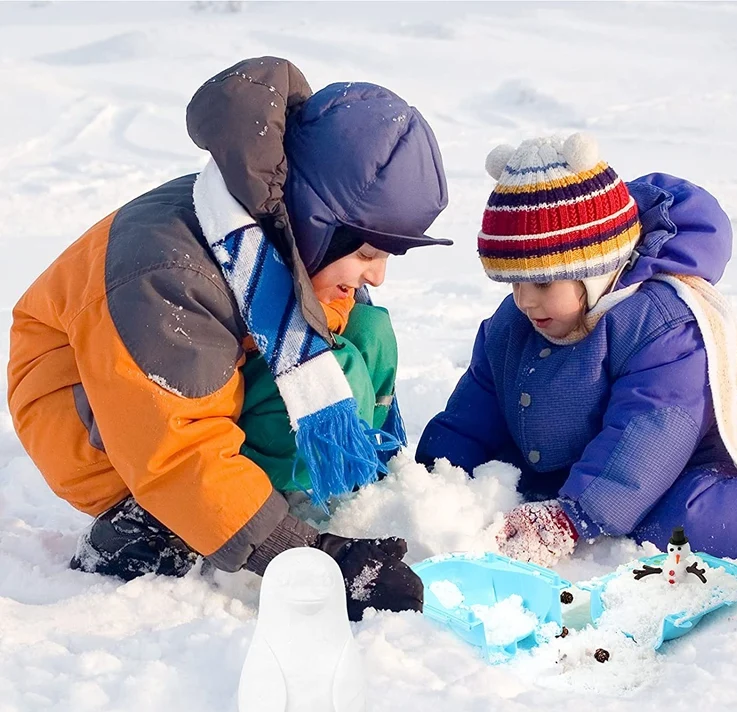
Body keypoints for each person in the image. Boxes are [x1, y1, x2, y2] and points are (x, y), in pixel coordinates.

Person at [7, 56, 452, 620]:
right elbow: (179, 450)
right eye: (367, 252)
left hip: (192, 377)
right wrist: (316, 557)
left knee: (365, 329)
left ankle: (274, 489)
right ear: (317, 220)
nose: (379, 273)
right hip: (100, 420)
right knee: (206, 480)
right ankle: (150, 522)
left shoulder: (271, 222)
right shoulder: (167, 276)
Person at [416, 133, 737, 564]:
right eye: (514, 282)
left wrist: (574, 516)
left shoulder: (659, 324)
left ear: (595, 272)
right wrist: (436, 476)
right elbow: (477, 405)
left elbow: (650, 429)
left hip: (669, 471)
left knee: (690, 528)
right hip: (565, 466)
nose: (524, 300)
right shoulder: (516, 322)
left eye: (542, 282)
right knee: (504, 484)